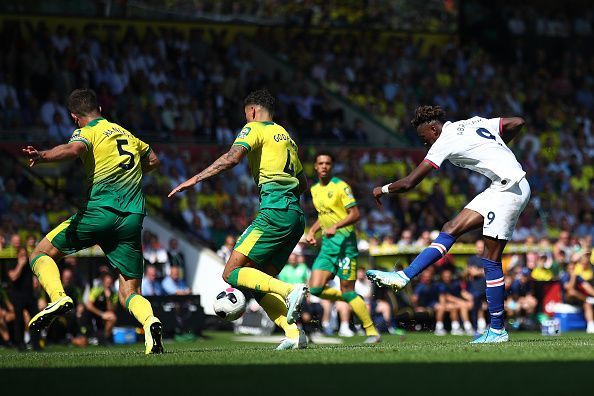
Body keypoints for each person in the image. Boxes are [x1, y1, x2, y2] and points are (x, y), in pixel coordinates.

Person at [367, 105, 530, 343]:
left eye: (425, 138)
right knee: (450, 228)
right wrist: (501, 150)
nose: (426, 144)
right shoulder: (474, 121)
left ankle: (497, 329)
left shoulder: (444, 140)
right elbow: (517, 121)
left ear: (434, 129)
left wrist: (381, 189)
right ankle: (404, 276)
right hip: (501, 185)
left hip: (510, 188)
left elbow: (410, 183)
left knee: (491, 258)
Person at [22, 88, 164, 354]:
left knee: (40, 254)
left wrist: (42, 156)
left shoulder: (88, 132)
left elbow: (73, 149)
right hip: (132, 219)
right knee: (129, 292)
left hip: (99, 213)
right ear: (99, 107)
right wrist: (131, 174)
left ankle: (59, 298)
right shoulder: (125, 133)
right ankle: (150, 322)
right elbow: (154, 160)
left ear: (75, 117)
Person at [169, 89, 309, 350]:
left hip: (274, 212)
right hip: (295, 216)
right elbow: (303, 183)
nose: (246, 119)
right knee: (257, 283)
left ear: (253, 111)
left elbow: (232, 157)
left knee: (231, 272)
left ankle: (290, 291)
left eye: (246, 115)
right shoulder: (287, 137)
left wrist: (195, 178)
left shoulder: (254, 128)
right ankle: (294, 334)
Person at [305, 152, 380, 343]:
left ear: (332, 166)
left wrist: (336, 226)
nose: (324, 166)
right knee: (314, 289)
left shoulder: (341, 187)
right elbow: (323, 217)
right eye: (320, 163)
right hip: (328, 247)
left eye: (328, 163)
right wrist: (313, 231)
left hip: (346, 246)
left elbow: (355, 214)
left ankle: (372, 332)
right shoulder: (314, 190)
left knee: (347, 290)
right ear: (315, 166)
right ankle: (353, 300)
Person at [85, 272, 118, 344]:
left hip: (105, 315)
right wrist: (101, 314)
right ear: (103, 282)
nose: (108, 285)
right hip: (94, 314)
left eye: (110, 283)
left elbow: (111, 310)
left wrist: (108, 298)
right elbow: (89, 305)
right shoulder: (97, 290)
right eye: (107, 282)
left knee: (113, 317)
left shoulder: (114, 293)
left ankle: (105, 338)